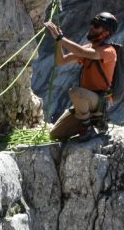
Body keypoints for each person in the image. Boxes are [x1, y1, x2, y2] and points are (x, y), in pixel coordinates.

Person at [42, 12, 119, 141]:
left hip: (99, 101)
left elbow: (83, 52)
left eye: (96, 26)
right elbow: (61, 61)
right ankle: (89, 122)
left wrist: (61, 37)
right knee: (55, 134)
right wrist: (58, 41)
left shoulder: (109, 51)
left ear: (105, 33)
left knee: (75, 92)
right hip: (87, 101)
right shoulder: (89, 49)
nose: (92, 27)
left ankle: (87, 128)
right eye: (92, 24)